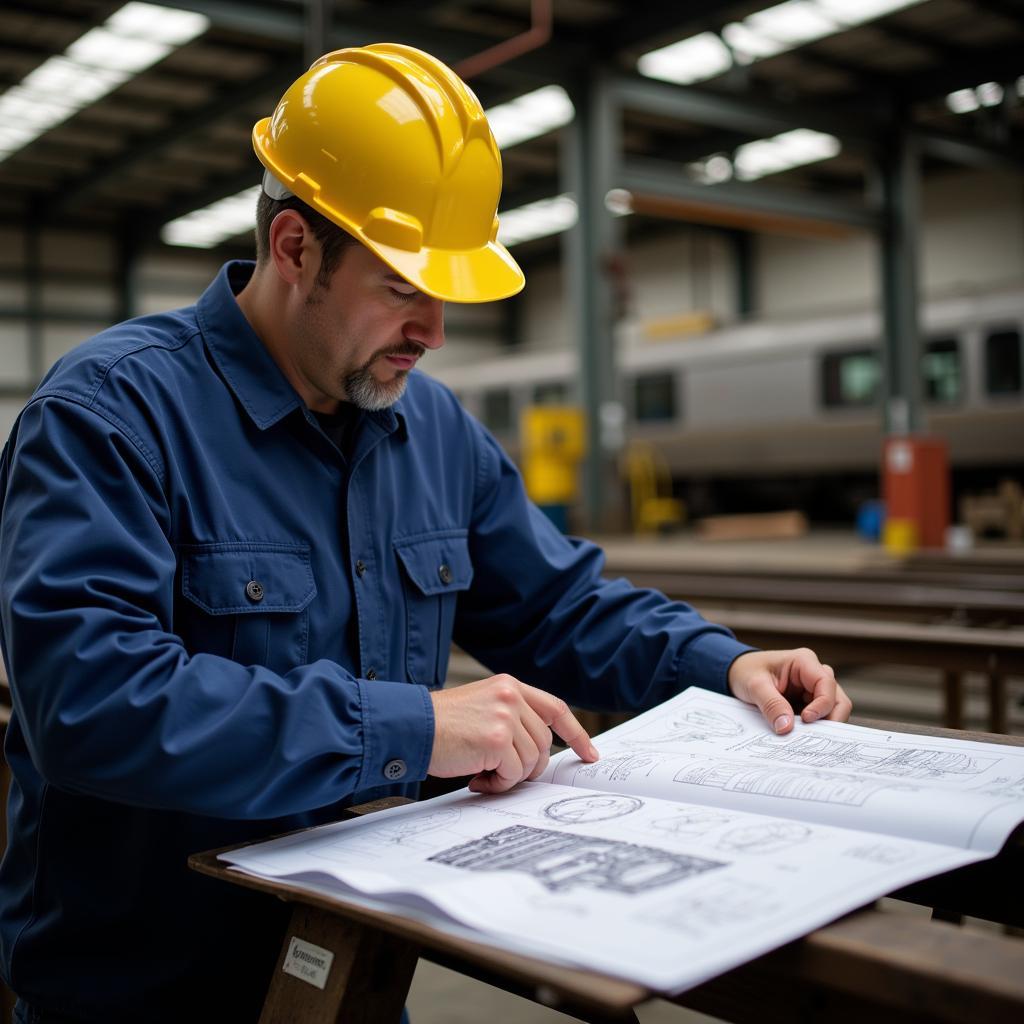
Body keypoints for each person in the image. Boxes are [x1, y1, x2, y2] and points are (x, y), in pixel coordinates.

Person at [0, 43, 851, 1023]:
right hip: (138, 994)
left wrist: (722, 665)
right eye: (405, 287)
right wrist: (416, 725)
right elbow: (90, 699)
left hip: (359, 969)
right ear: (294, 248)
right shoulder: (113, 413)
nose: (435, 329)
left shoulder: (433, 431)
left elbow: (561, 606)